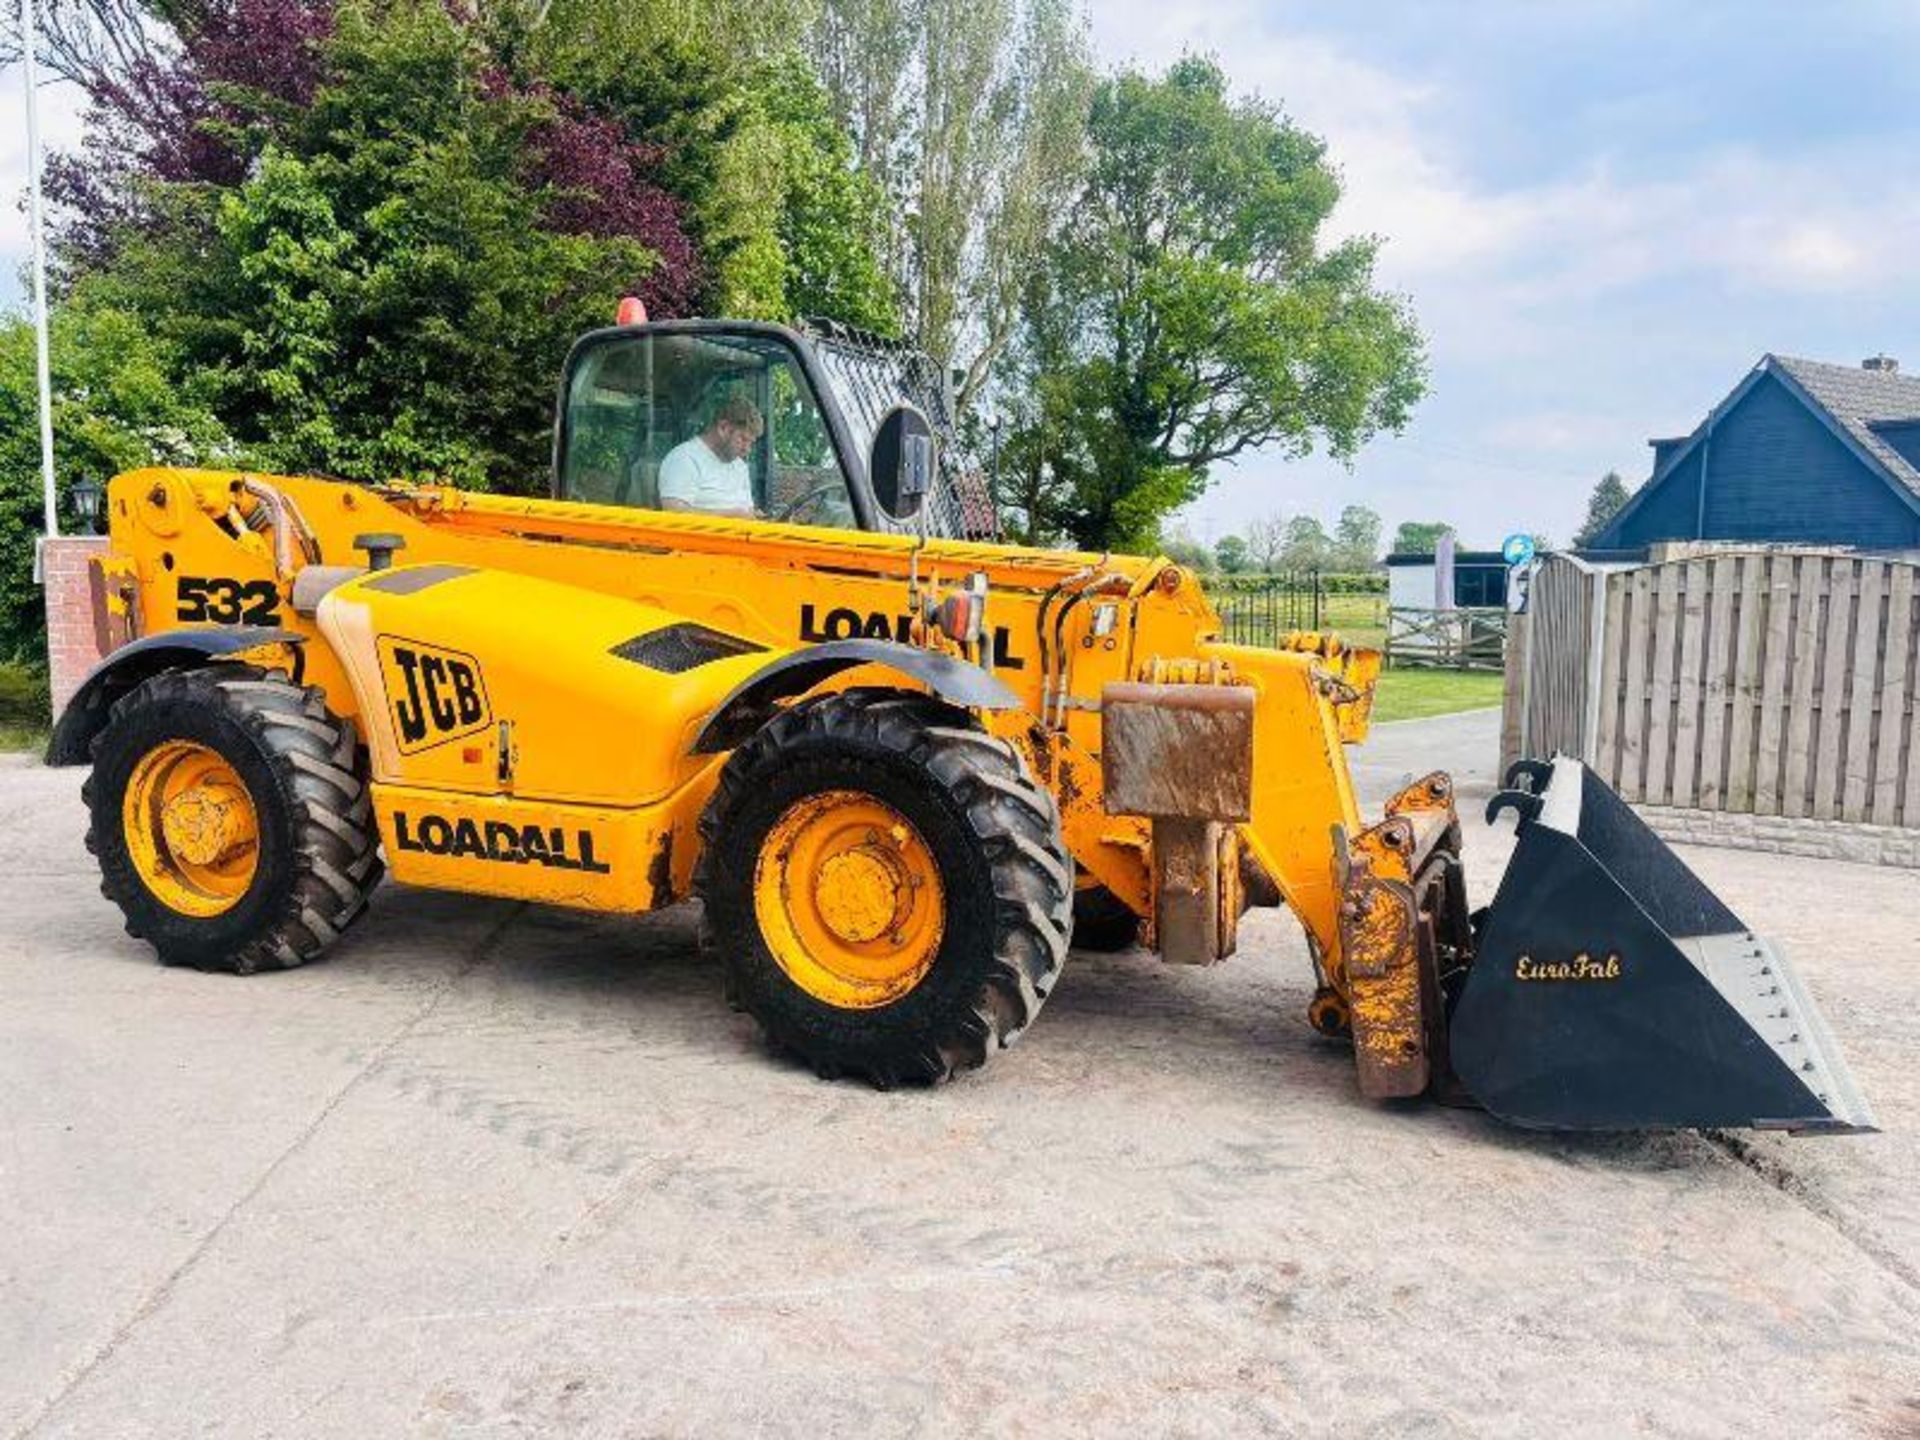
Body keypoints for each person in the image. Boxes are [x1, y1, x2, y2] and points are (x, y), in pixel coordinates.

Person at [657, 394, 764, 517]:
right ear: (723, 428)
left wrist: (753, 517)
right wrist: (729, 517)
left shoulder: (740, 467)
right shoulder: (684, 458)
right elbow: (673, 514)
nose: (747, 449)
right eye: (743, 439)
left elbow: (746, 511)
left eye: (751, 443)